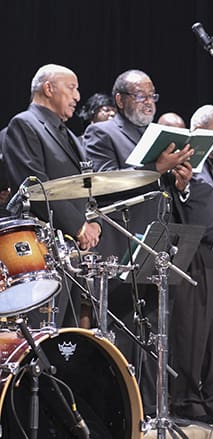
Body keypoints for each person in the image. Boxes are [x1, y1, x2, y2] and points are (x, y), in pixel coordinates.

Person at [83, 69, 193, 416]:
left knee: (155, 335)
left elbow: (160, 194)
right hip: (120, 247)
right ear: (120, 100)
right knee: (122, 334)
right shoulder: (102, 132)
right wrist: (157, 169)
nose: (148, 103)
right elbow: (105, 187)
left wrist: (180, 182)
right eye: (140, 96)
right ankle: (118, 414)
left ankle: (148, 412)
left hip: (155, 248)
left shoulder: (157, 137)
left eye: (152, 96)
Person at [2, 64, 101, 327]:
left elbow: (85, 186)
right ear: (48, 88)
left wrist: (93, 222)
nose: (78, 96)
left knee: (68, 339)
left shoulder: (68, 134)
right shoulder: (25, 124)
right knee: (42, 335)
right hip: (40, 253)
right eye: (72, 88)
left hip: (72, 254)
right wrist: (79, 226)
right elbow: (34, 186)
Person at [168, 105, 213, 424]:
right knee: (192, 330)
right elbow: (175, 196)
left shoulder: (212, 168)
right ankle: (185, 399)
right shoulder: (187, 161)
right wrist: (182, 189)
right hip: (193, 251)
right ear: (202, 131)